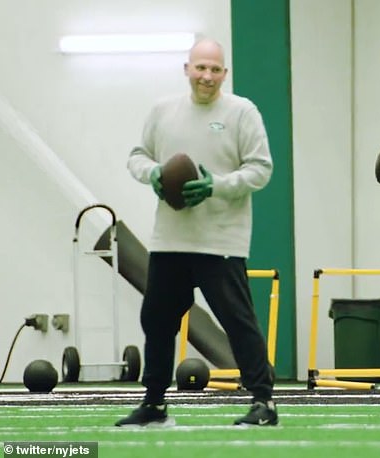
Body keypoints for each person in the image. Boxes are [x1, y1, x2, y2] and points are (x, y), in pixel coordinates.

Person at [115, 38, 277, 427]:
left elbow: (261, 169)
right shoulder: (163, 111)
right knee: (156, 321)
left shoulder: (242, 112)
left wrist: (215, 185)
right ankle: (154, 405)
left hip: (220, 241)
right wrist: (153, 173)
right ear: (187, 69)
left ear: (225, 73)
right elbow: (137, 157)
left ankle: (264, 404)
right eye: (200, 68)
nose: (207, 76)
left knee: (238, 322)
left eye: (215, 69)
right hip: (170, 240)